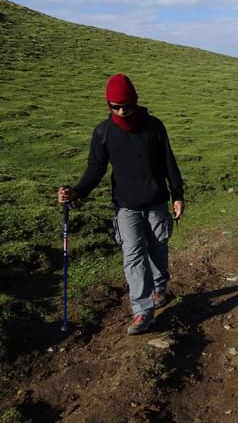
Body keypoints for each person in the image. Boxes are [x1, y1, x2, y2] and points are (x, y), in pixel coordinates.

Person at [57, 74, 184, 336]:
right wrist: (76, 192)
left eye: (126, 105)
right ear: (108, 105)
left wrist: (178, 195)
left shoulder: (154, 127)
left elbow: (168, 162)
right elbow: (96, 169)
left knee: (158, 252)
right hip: (126, 207)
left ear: (135, 101)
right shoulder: (103, 133)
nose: (122, 111)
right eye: (115, 106)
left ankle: (160, 289)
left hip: (157, 202)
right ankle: (143, 312)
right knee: (134, 257)